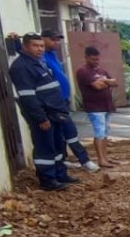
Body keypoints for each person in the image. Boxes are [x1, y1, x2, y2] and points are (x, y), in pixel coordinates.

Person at [9, 33, 79, 191]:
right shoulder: (21, 67)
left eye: (41, 46)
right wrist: (41, 118)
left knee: (58, 146)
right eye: (35, 46)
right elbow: (28, 97)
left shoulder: (39, 62)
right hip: (43, 115)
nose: (39, 49)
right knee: (45, 148)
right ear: (25, 47)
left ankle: (60, 174)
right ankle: (48, 179)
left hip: (55, 112)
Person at [41, 30, 99, 173]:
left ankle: (63, 160)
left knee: (62, 133)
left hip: (63, 100)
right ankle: (84, 160)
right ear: (44, 39)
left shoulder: (52, 55)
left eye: (58, 40)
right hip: (52, 103)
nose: (56, 43)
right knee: (68, 131)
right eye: (53, 40)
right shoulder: (40, 58)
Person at [76, 46, 119, 168]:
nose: (96, 62)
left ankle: (105, 157)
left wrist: (104, 81)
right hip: (95, 107)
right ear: (86, 57)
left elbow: (115, 82)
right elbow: (97, 86)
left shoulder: (100, 71)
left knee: (105, 132)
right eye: (93, 59)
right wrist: (106, 81)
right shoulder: (83, 71)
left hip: (106, 106)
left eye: (97, 59)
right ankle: (101, 159)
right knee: (99, 132)